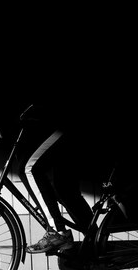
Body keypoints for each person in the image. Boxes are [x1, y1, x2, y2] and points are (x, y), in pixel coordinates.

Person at [17, 103, 96, 254]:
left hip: (63, 122)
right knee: (63, 189)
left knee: (28, 168)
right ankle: (95, 240)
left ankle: (57, 232)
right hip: (65, 122)